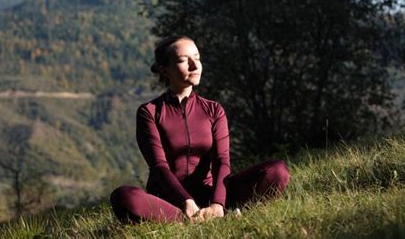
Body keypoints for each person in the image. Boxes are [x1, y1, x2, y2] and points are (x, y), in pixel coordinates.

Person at [110, 35, 290, 223]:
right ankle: (186, 219)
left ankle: (217, 214)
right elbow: (159, 167)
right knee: (124, 196)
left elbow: (222, 161)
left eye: (196, 58)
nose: (194, 66)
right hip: (170, 202)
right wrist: (186, 201)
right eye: (183, 61)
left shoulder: (213, 110)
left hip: (212, 195)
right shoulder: (149, 112)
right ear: (165, 70)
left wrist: (218, 203)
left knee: (277, 170)